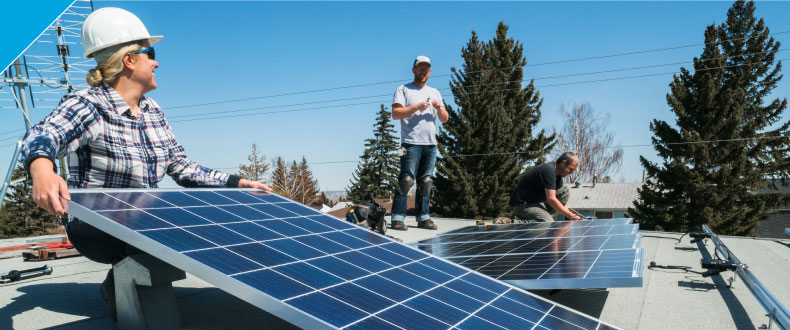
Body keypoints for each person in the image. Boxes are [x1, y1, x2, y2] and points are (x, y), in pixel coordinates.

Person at [20, 7, 270, 320]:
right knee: (158, 219)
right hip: (94, 225)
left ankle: (121, 280)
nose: (156, 62)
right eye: (149, 53)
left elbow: (182, 167)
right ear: (129, 59)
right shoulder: (89, 105)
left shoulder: (153, 111)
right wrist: (42, 170)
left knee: (198, 216)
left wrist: (235, 183)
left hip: (144, 218)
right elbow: (43, 134)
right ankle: (122, 291)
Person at [390, 55, 449, 231]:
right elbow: (396, 113)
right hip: (410, 143)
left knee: (426, 181)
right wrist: (417, 107)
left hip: (431, 144)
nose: (423, 71)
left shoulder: (435, 92)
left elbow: (445, 118)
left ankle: (423, 217)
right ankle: (397, 218)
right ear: (414, 69)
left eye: (426, 68)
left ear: (429, 72)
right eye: (420, 67)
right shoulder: (403, 90)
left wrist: (439, 108)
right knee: (406, 180)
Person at [510, 152, 583, 222]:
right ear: (563, 163)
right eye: (570, 169)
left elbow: (558, 201)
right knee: (547, 222)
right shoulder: (548, 170)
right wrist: (571, 216)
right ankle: (512, 223)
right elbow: (551, 199)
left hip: (537, 203)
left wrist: (572, 214)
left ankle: (548, 219)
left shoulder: (558, 177)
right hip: (522, 205)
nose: (571, 173)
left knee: (565, 190)